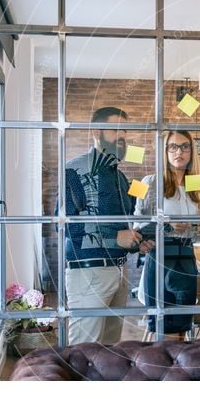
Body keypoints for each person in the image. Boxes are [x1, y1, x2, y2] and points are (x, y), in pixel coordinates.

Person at [63, 106, 154, 345]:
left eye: (125, 130)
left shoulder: (119, 176)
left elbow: (121, 227)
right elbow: (66, 227)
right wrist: (117, 239)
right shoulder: (74, 169)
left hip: (119, 271)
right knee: (84, 351)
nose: (122, 135)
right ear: (96, 131)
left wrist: (138, 242)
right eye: (115, 129)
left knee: (109, 352)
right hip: (88, 273)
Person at [134, 130, 200, 339]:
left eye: (185, 146)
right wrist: (167, 227)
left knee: (182, 329)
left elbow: (196, 230)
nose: (179, 152)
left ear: (192, 152)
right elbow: (136, 225)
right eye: (173, 147)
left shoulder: (196, 183)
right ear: (165, 151)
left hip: (186, 257)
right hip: (160, 258)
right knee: (164, 331)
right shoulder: (147, 181)